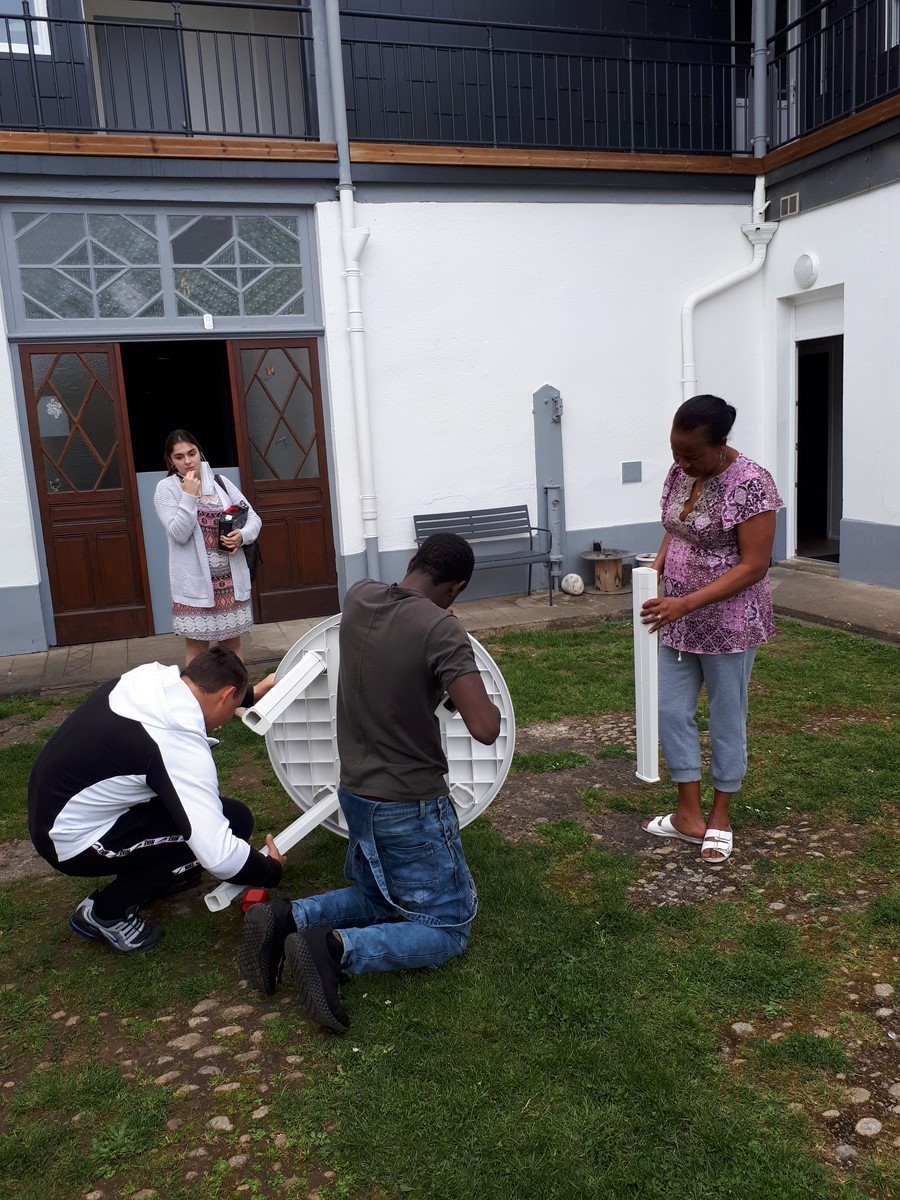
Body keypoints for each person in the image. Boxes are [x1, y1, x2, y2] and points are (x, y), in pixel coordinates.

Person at [237, 533, 501, 1033]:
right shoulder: (441, 628)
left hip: (355, 793)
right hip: (410, 803)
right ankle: (333, 948)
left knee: (379, 897)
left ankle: (287, 918)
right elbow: (485, 727)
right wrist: (452, 660)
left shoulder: (359, 596)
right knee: (448, 929)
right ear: (456, 587)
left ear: (411, 562)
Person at [28, 646, 285, 954]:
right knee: (222, 835)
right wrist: (270, 870)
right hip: (70, 841)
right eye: (233, 708)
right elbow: (219, 855)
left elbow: (216, 692)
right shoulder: (175, 744)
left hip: (56, 805)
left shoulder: (151, 678)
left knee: (235, 819)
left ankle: (162, 875)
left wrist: (252, 694)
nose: (229, 719)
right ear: (225, 694)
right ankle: (104, 912)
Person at [640, 394, 783, 864]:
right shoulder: (684, 471)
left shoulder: (752, 484)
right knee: (669, 710)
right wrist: (657, 570)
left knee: (726, 716)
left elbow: (754, 566)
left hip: (729, 623)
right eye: (675, 452)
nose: (681, 463)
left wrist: (687, 602)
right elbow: (675, 525)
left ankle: (720, 815)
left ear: (722, 444)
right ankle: (688, 816)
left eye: (692, 455)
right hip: (675, 617)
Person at [154, 429, 261, 665]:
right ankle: (197, 702)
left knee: (232, 648)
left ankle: (237, 698)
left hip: (229, 581)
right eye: (179, 457)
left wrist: (241, 536)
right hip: (195, 586)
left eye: (191, 453)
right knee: (197, 651)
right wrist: (189, 496)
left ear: (199, 452)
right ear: (170, 461)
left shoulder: (220, 483)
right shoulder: (167, 489)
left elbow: (253, 518)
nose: (188, 461)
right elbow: (179, 533)